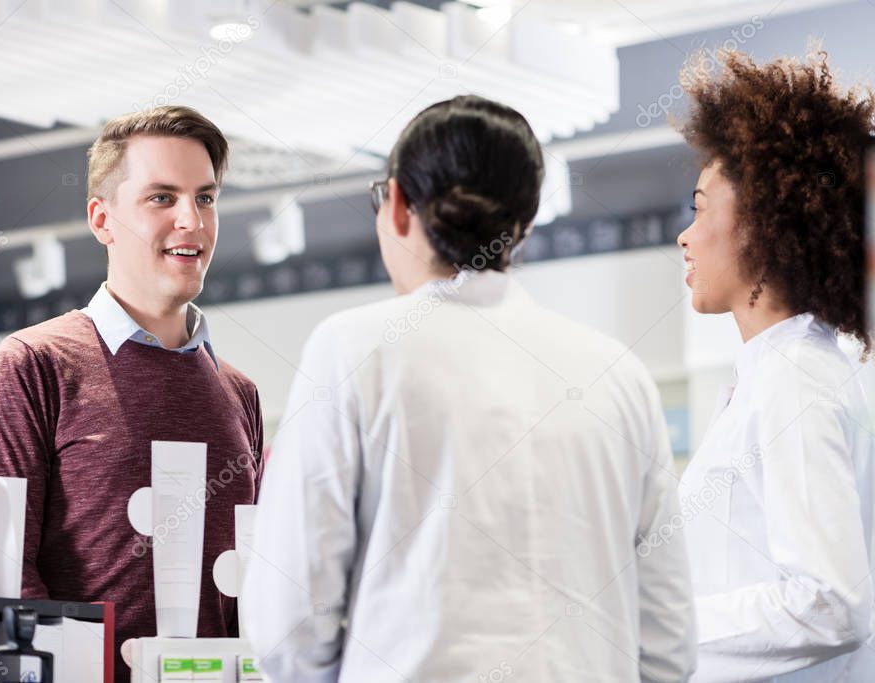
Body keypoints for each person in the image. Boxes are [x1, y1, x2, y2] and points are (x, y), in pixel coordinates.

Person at [240, 95, 696, 682]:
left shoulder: (351, 351)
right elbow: (669, 640)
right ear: (526, 222)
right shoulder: (618, 374)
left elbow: (290, 619)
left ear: (398, 205)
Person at [0, 106, 264, 682]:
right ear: (102, 219)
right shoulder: (33, 365)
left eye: (205, 198)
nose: (192, 221)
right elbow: (2, 579)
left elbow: (245, 586)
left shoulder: (239, 393)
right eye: (161, 198)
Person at [673, 48, 875, 682]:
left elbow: (831, 604)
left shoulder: (795, 376)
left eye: (700, 207)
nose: (685, 236)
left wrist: (658, 634)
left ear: (766, 224)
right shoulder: (788, 370)